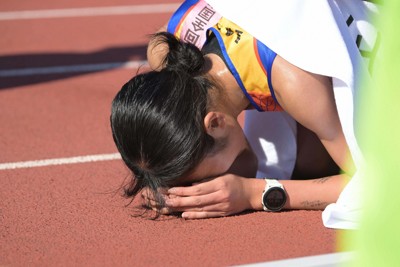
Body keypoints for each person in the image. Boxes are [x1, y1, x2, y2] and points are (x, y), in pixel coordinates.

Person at [111, 0, 378, 225]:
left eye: (204, 177)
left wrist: (254, 193)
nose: (210, 183)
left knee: (305, 163)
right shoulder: (164, 52)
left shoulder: (294, 81)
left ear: (214, 123)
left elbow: (380, 183)